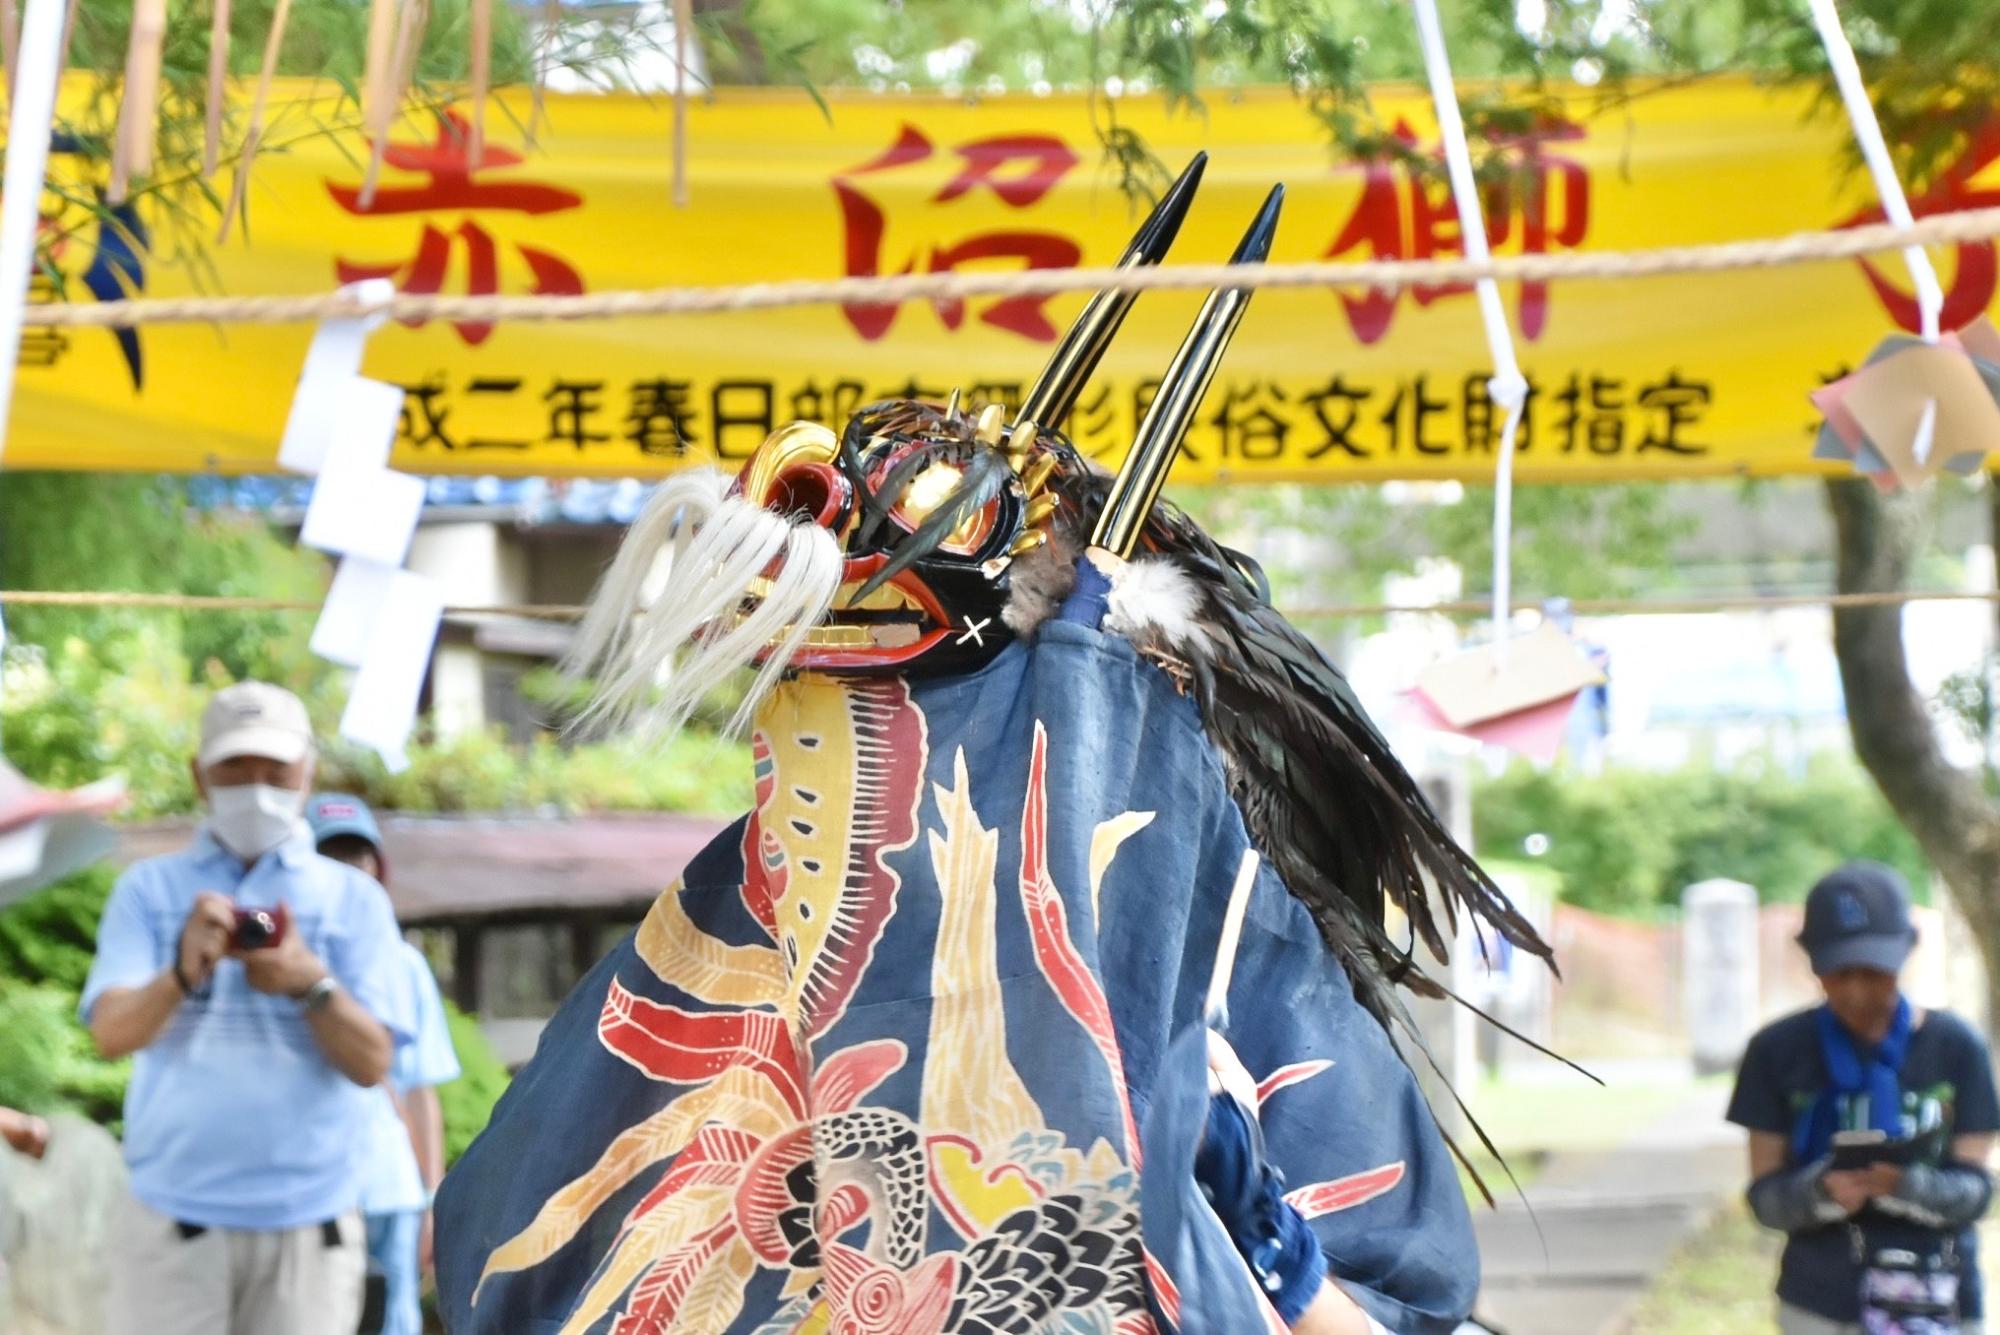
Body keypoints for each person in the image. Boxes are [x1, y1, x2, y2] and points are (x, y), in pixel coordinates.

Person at [438, 166, 1537, 1334]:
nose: (854, 757)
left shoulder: (1218, 939)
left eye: (939, 709)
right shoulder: (743, 908)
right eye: (809, 715)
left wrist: (1277, 1266)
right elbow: (509, 1255)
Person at [81, 682, 412, 1335]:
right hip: (171, 1222)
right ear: (199, 775)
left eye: (275, 769)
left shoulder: (355, 900)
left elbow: (374, 1062)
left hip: (310, 1227)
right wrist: (180, 971)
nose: (256, 787)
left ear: (307, 772)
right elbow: (111, 1034)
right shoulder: (148, 889)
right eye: (235, 768)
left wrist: (310, 983)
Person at [1728, 861, 2000, 1335]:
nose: (1855, 991)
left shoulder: (1957, 1047)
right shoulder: (1776, 1050)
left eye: (1874, 972)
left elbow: (1978, 1194)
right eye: (1838, 972)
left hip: (1939, 1299)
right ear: (1809, 956)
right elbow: (1764, 1198)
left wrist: (1904, 1185)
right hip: (1822, 1303)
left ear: (1907, 950)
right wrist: (1820, 1192)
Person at [307, 792, 462, 1335]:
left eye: (359, 856)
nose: (350, 871)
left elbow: (419, 1089)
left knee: (392, 1321)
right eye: (332, 857)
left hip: (388, 1185)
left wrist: (432, 1197)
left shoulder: (403, 963)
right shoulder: (282, 962)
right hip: (306, 1190)